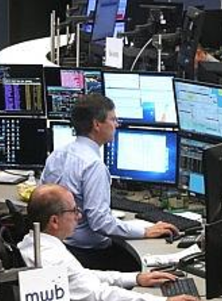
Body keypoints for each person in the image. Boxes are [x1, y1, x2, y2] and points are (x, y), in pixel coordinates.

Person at [18, 184, 205, 301]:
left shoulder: (31, 243)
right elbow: (100, 295)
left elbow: (80, 276)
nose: (79, 216)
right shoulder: (52, 258)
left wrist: (135, 278)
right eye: (74, 211)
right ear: (54, 221)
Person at [42, 93, 178, 271]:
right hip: (89, 255)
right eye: (113, 119)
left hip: (60, 248)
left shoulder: (57, 154)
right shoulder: (93, 165)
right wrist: (145, 231)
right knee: (148, 265)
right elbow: (100, 222)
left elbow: (42, 198)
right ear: (97, 125)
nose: (117, 124)